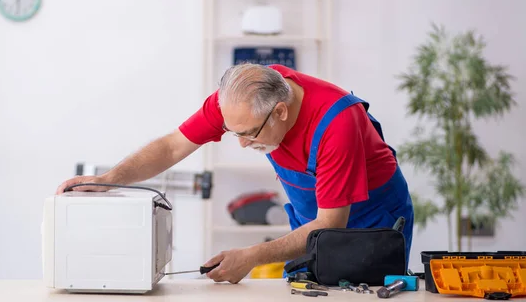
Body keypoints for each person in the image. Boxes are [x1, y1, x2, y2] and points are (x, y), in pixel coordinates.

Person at [56, 63, 414, 284]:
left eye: (248, 134)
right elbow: (171, 146)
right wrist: (107, 180)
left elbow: (332, 224)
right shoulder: (241, 98)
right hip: (314, 219)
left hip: (371, 219)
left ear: (281, 113)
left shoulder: (337, 123)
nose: (241, 143)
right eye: (233, 132)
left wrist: (253, 256)